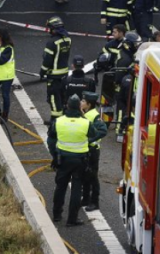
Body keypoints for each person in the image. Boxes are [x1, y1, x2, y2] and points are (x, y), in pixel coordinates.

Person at [48, 94, 96, 227]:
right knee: (76, 189)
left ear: (67, 106)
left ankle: (57, 215)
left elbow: (51, 139)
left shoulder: (59, 121)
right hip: (80, 161)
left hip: (62, 159)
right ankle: (72, 219)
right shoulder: (85, 123)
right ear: (79, 108)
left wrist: (54, 155)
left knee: (60, 187)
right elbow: (93, 134)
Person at [40, 16, 72, 125]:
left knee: (53, 98)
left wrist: (42, 71)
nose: (49, 30)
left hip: (53, 76)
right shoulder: (67, 39)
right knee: (62, 97)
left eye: (50, 28)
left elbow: (47, 60)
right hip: (64, 75)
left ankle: (55, 121)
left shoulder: (52, 42)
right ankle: (62, 118)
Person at [80, 91, 107, 211]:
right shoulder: (86, 114)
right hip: (86, 150)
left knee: (92, 177)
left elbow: (103, 131)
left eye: (83, 101)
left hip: (92, 151)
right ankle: (85, 198)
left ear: (89, 104)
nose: (81, 103)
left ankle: (94, 202)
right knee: (85, 175)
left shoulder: (94, 116)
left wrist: (90, 140)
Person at [113, 32, 140, 141]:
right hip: (123, 86)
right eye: (135, 43)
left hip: (127, 83)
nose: (137, 45)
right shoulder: (125, 58)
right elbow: (119, 76)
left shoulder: (127, 52)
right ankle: (120, 130)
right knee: (122, 108)